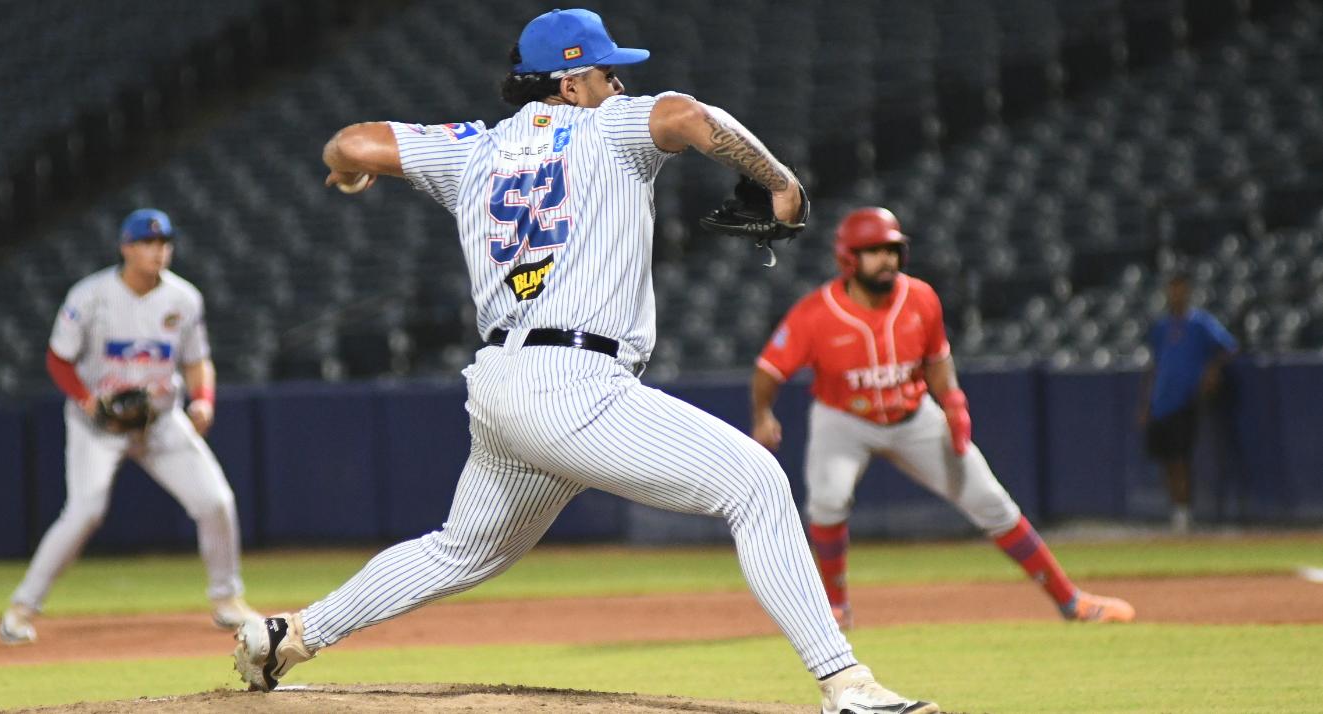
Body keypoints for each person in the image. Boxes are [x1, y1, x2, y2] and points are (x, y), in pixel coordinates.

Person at [232, 10, 938, 713]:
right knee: (753, 482)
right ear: (570, 85)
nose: (618, 82)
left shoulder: (471, 148)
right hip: (573, 384)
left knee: (460, 551)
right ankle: (845, 686)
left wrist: (346, 171)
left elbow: (352, 142)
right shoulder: (611, 125)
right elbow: (689, 115)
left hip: (502, 386)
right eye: (605, 72)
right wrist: (780, 182)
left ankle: (288, 636)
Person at [749, 206, 1136, 630]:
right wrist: (763, 413)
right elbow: (769, 369)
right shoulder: (815, 313)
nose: (886, 260)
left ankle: (1071, 601)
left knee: (993, 503)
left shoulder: (921, 298)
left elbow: (936, 360)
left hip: (913, 415)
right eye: (874, 251)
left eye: (892, 250)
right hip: (844, 421)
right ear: (848, 258)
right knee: (827, 502)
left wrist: (953, 402)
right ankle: (837, 609)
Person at [0, 208, 255, 644]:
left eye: (164, 242)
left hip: (159, 420)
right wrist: (86, 399)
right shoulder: (90, 296)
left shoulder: (184, 298)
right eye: (148, 243)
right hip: (97, 425)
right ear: (126, 248)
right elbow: (58, 359)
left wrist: (204, 401)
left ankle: (227, 599)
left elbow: (196, 361)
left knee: (215, 500)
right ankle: (21, 608)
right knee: (84, 512)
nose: (158, 251)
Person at [1136, 272, 1237, 534]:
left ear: (1188, 292)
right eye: (1172, 289)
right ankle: (1176, 511)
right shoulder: (1161, 327)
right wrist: (1147, 403)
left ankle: (1184, 514)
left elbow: (1229, 347)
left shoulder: (1201, 323)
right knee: (1165, 459)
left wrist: (1212, 370)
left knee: (1180, 457)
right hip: (1161, 401)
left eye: (1180, 289)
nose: (1176, 294)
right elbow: (1155, 365)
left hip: (1185, 401)